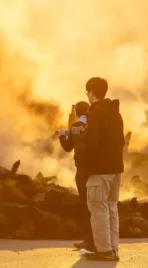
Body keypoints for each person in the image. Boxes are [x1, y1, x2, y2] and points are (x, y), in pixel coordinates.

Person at [82, 77, 124, 261]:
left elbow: (92, 144)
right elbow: (121, 142)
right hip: (116, 169)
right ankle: (113, 248)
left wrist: (85, 165)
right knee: (111, 207)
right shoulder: (116, 113)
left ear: (91, 92)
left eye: (87, 93)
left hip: (99, 170)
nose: (87, 96)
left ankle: (104, 250)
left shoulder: (95, 114)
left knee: (97, 208)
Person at [58, 101, 95, 251]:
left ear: (77, 113)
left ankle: (89, 240)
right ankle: (102, 240)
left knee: (86, 207)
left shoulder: (76, 126)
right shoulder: (95, 124)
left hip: (83, 171)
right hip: (97, 170)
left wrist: (61, 136)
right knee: (99, 207)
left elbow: (67, 147)